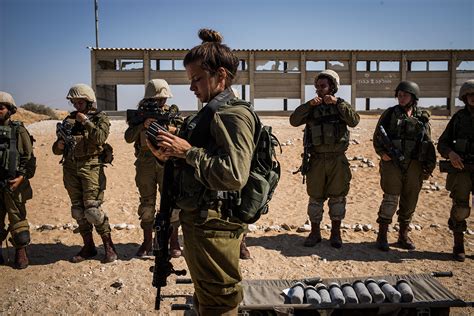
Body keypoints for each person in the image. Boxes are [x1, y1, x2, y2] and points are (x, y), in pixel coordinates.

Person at [147, 29, 256, 315]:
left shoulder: (232, 115)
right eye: (190, 80)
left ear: (220, 75)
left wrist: (187, 152)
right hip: (203, 222)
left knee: (219, 299)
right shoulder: (211, 112)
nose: (192, 87)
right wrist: (168, 154)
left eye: (197, 79)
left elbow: (234, 174)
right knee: (208, 292)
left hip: (215, 227)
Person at [290, 70, 360, 249]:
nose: (319, 90)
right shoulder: (312, 107)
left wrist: (339, 104)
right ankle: (315, 232)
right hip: (317, 160)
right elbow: (294, 120)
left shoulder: (341, 106)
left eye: (323, 86)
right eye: (317, 87)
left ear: (333, 87)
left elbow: (354, 121)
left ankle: (335, 234)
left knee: (337, 198)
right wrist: (308, 105)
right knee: (315, 198)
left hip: (337, 160)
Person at [52, 83, 118, 263]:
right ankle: (88, 247)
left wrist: (86, 121)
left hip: (91, 167)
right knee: (78, 211)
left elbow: (100, 138)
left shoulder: (100, 118)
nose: (77, 106)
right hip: (71, 168)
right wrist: (59, 146)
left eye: (80, 103)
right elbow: (56, 150)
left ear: (89, 102)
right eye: (74, 103)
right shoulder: (68, 121)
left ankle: (108, 246)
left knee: (93, 210)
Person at [373, 81, 436, 251]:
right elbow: (378, 135)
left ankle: (403, 235)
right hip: (392, 162)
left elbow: (428, 142)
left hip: (414, 164)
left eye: (405, 95)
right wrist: (382, 153)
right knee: (391, 198)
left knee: (410, 200)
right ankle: (382, 235)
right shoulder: (390, 114)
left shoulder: (422, 116)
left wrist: (428, 166)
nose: (401, 98)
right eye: (399, 95)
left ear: (413, 97)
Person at [124, 79, 183, 258]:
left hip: (167, 161)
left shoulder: (172, 113)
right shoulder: (140, 114)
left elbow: (183, 132)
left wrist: (167, 128)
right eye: (159, 99)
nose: (162, 102)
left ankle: (173, 242)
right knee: (147, 204)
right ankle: (148, 242)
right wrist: (143, 124)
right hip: (145, 164)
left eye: (164, 99)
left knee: (172, 203)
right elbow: (128, 137)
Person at [437, 79, 474, 262]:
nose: (473, 98)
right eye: (470, 95)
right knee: (460, 208)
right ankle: (458, 245)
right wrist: (451, 154)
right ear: (465, 97)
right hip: (461, 170)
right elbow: (443, 143)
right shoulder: (458, 118)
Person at [0, 91, 35, 269]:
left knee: (18, 223)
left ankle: (20, 252)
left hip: (14, 184)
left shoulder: (19, 130)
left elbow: (29, 158)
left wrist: (21, 177)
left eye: (1, 107)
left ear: (10, 110)